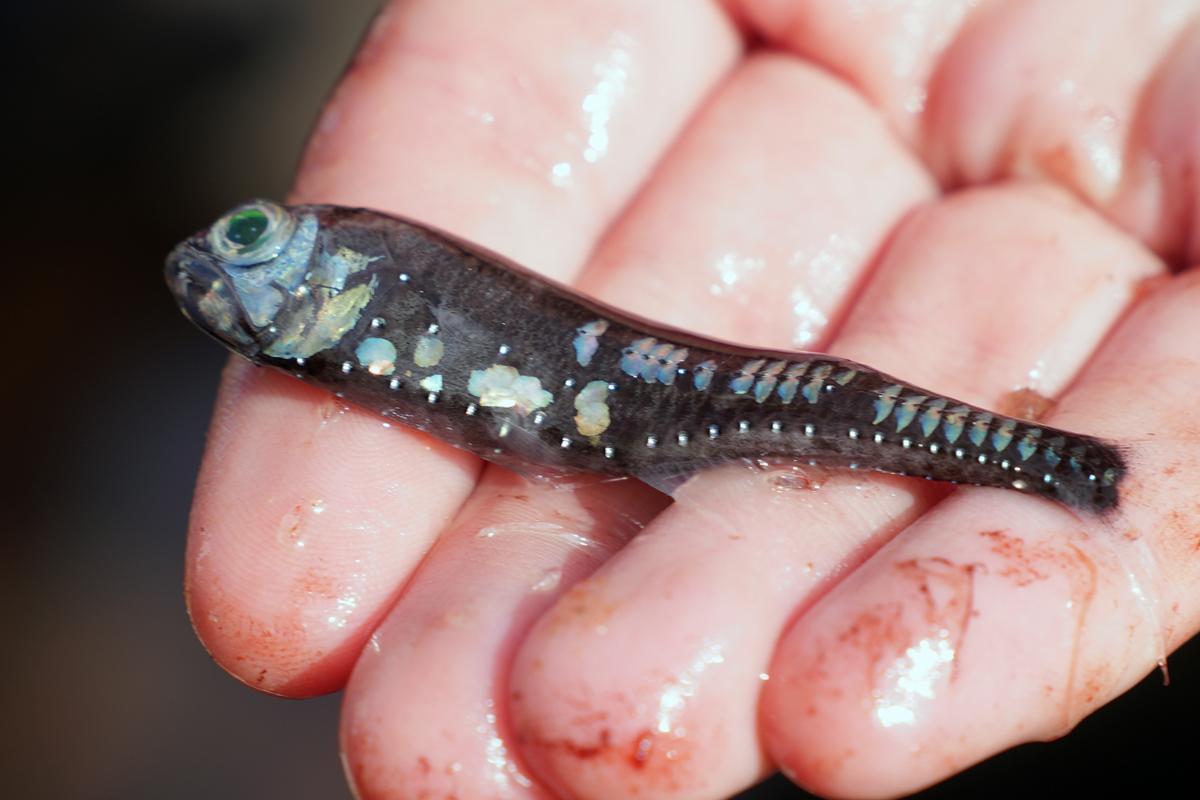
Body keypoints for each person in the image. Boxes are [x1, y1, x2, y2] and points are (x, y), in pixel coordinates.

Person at [183, 2, 1200, 798]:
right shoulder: (348, 276)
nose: (236, 254)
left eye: (247, 238)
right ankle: (1054, 464)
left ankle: (1055, 463)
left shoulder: (359, 255)